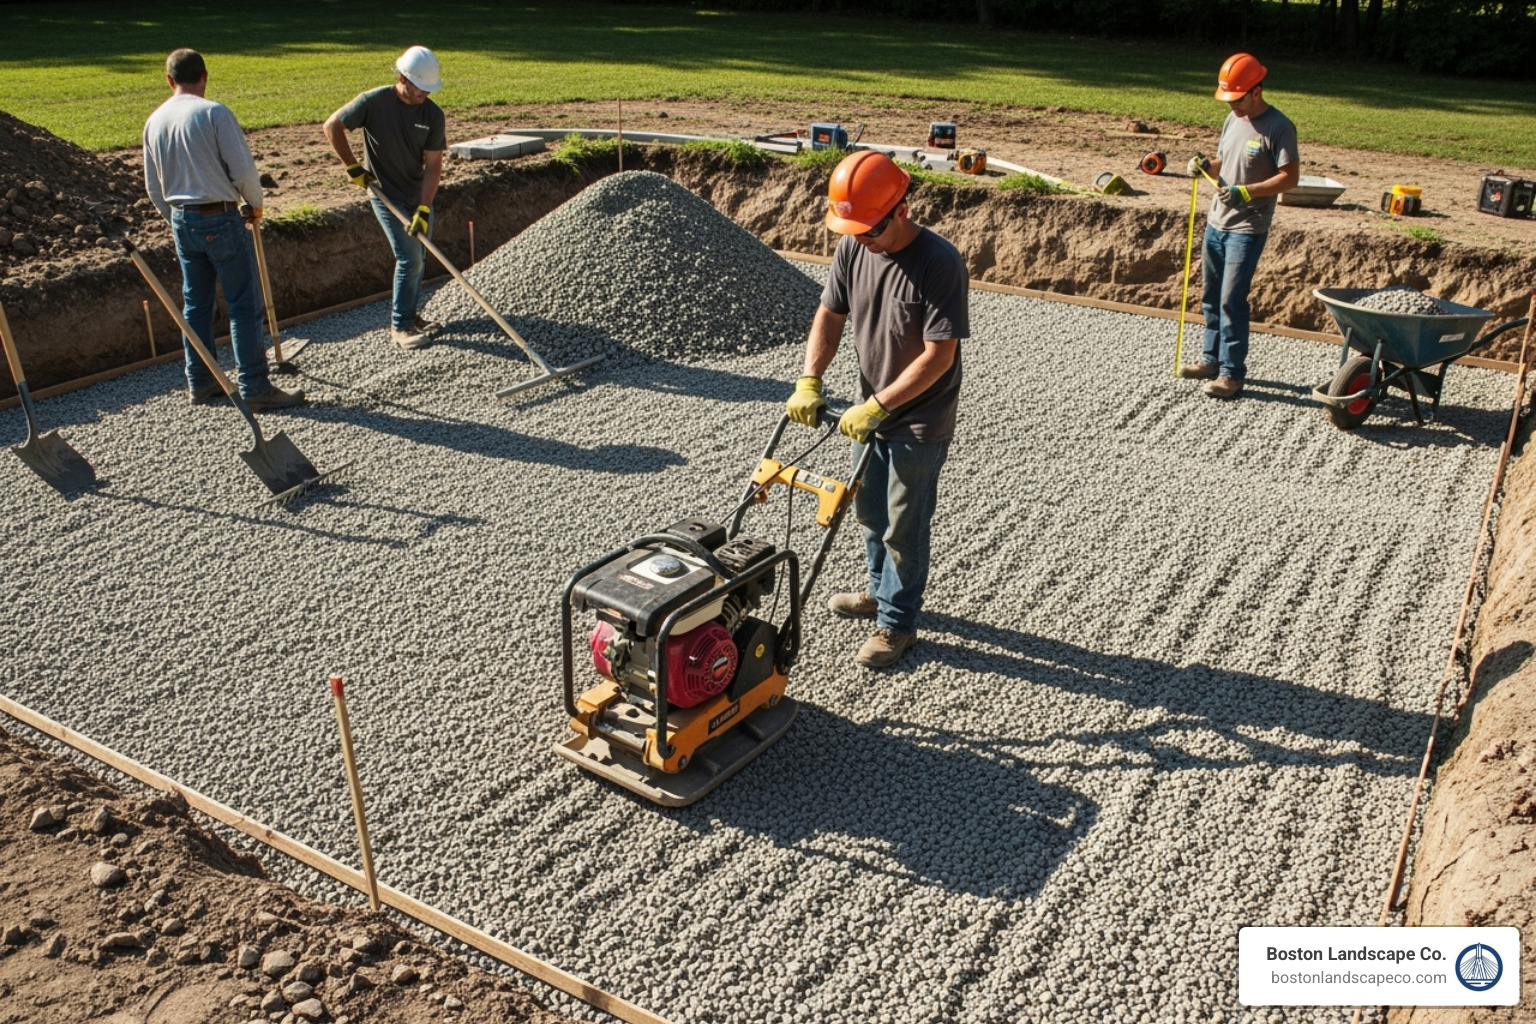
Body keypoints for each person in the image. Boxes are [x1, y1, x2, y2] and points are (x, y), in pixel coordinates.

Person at [785, 150, 969, 669]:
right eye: (852, 227)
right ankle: (877, 591)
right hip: (871, 408)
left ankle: (897, 623)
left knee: (903, 526)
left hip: (919, 418)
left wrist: (879, 405)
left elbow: (939, 356)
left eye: (869, 227)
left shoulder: (939, 262)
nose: (859, 236)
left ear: (902, 210)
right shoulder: (853, 246)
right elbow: (829, 314)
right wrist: (809, 379)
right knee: (868, 512)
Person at [143, 49, 304, 409]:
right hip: (221, 216)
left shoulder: (154, 121)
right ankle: (255, 388)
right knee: (243, 304)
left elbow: (153, 187)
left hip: (182, 219)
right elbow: (243, 170)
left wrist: (175, 220)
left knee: (196, 305)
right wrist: (255, 203)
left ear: (170, 81)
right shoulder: (214, 113)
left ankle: (201, 381)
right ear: (205, 76)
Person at [1179, 52, 1299, 399]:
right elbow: (1223, 162)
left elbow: (1289, 178)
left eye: (1237, 98)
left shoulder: (1279, 127)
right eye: (1228, 99)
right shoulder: (1234, 120)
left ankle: (1232, 373)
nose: (1231, 105)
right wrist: (1204, 165)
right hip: (1217, 222)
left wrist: (1246, 192)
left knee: (1232, 300)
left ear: (1256, 91)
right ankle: (1210, 360)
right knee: (1211, 297)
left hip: (1247, 228)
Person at [323, 45, 447, 351]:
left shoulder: (432, 115)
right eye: (421, 87)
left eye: (429, 89)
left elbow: (434, 165)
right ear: (404, 78)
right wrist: (352, 166)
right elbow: (333, 126)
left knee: (421, 254)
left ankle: (411, 314)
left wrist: (424, 207)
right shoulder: (374, 102)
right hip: (385, 193)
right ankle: (400, 326)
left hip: (415, 196)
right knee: (409, 257)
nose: (425, 94)